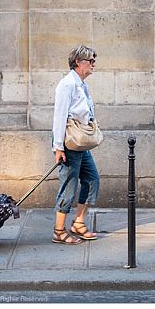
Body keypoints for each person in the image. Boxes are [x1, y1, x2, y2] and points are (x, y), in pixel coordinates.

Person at [51, 44, 101, 245]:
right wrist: (58, 147)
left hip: (80, 142)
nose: (93, 65)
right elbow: (59, 116)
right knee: (69, 186)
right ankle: (59, 231)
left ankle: (78, 223)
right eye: (91, 61)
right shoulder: (67, 84)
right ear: (79, 62)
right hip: (69, 142)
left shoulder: (80, 83)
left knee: (92, 179)